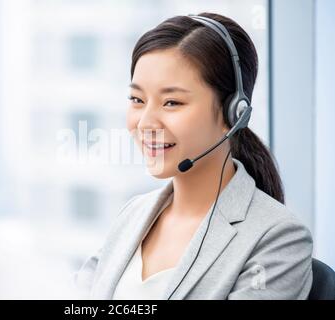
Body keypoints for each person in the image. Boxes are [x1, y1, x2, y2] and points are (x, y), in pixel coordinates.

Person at [74, 12, 313, 300]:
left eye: (172, 102)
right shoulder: (133, 215)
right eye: (137, 100)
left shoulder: (277, 238)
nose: (146, 123)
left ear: (233, 113)